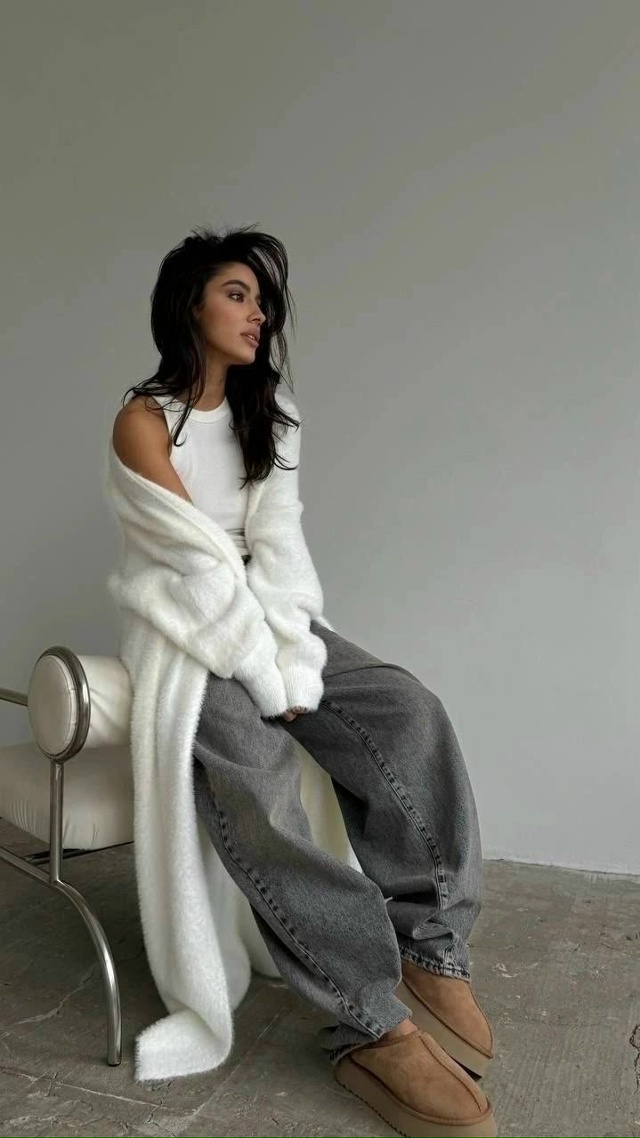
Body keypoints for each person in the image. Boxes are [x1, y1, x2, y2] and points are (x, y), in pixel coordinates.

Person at [110, 225, 497, 1138]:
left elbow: (277, 549)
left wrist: (290, 649)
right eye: (237, 294)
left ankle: (431, 945)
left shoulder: (272, 411)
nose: (259, 314)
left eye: (263, 300)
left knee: (407, 709)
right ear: (189, 305)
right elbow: (197, 563)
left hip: (268, 617)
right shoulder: (143, 419)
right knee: (262, 776)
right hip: (183, 627)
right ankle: (373, 1021)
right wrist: (261, 670)